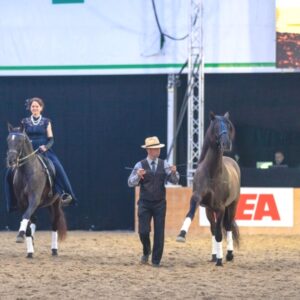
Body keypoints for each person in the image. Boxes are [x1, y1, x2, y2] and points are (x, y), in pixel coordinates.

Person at [5, 97, 77, 212]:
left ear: (41, 108)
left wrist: (46, 147)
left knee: (58, 168)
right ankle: (12, 202)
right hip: (28, 151)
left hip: (44, 150)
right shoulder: (24, 122)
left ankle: (67, 194)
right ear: (30, 108)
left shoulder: (46, 121)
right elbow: (20, 137)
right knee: (9, 173)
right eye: (33, 106)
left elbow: (51, 139)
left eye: (37, 106)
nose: (35, 108)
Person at [128, 136, 179, 267]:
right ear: (149, 150)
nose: (158, 151)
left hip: (160, 203)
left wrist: (174, 173)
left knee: (159, 232)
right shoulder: (139, 165)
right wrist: (138, 176)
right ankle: (146, 250)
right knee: (143, 231)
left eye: (159, 148)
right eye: (156, 149)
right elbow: (130, 182)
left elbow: (175, 180)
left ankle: (156, 261)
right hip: (144, 203)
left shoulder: (165, 164)